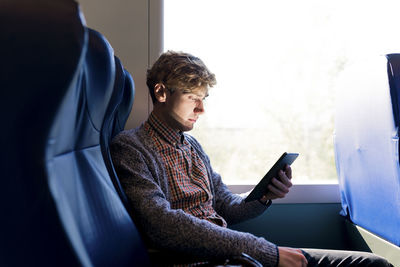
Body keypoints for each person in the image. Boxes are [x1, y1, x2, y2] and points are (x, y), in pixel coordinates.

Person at [110, 51, 392, 267]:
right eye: (192, 97)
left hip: (236, 254)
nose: (201, 109)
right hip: (203, 261)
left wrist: (263, 196)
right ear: (161, 92)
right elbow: (162, 225)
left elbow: (227, 207)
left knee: (372, 264)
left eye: (204, 98)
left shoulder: (192, 146)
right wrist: (267, 252)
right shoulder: (131, 148)